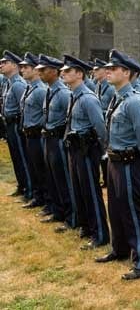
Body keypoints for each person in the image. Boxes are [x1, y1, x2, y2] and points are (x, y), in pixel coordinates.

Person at [95, 49, 140, 280]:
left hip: (130, 163)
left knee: (132, 210)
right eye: (107, 68)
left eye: (113, 69)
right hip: (115, 161)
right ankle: (119, 248)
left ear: (126, 72)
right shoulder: (117, 98)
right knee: (116, 208)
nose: (108, 72)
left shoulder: (134, 102)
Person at [61, 54, 109, 250]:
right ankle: (87, 226)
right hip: (75, 149)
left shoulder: (88, 98)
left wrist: (100, 151)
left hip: (86, 150)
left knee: (90, 190)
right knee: (79, 190)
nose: (63, 74)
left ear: (79, 74)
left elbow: (101, 128)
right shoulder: (74, 95)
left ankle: (100, 233)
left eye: (67, 71)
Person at [36, 54, 78, 233]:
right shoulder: (49, 90)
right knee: (52, 178)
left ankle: (71, 216)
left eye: (43, 70)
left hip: (59, 140)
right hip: (48, 138)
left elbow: (70, 119)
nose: (40, 73)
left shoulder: (63, 93)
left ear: (54, 71)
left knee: (63, 180)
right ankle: (58, 211)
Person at [19, 53, 51, 215]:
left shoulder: (40, 90)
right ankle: (38, 196)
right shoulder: (30, 88)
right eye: (22, 67)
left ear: (35, 70)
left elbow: (46, 114)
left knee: (42, 169)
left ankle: (47, 200)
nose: (22, 70)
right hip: (29, 134)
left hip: (38, 135)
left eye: (26, 67)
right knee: (34, 168)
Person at [0, 50, 31, 200]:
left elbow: (23, 107)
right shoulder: (9, 83)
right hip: (9, 124)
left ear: (13, 65)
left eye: (4, 63)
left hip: (17, 124)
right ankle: (22, 185)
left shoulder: (18, 84)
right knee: (15, 157)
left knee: (23, 158)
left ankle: (29, 189)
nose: (1, 65)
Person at [93, 58, 116, 189]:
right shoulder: (98, 85)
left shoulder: (111, 88)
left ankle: (108, 180)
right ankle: (105, 179)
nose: (95, 72)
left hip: (108, 125)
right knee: (101, 153)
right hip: (99, 124)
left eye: (98, 69)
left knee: (107, 153)